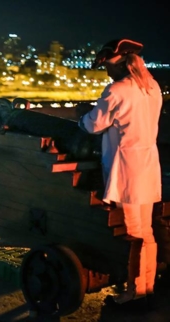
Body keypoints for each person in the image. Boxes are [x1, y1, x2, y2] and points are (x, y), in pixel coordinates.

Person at [78, 39, 162, 304]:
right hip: (148, 163)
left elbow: (93, 125)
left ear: (119, 63)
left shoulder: (117, 90)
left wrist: (82, 116)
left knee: (134, 232)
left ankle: (134, 293)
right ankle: (146, 287)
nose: (106, 72)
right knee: (145, 230)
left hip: (127, 167)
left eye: (108, 66)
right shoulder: (153, 87)